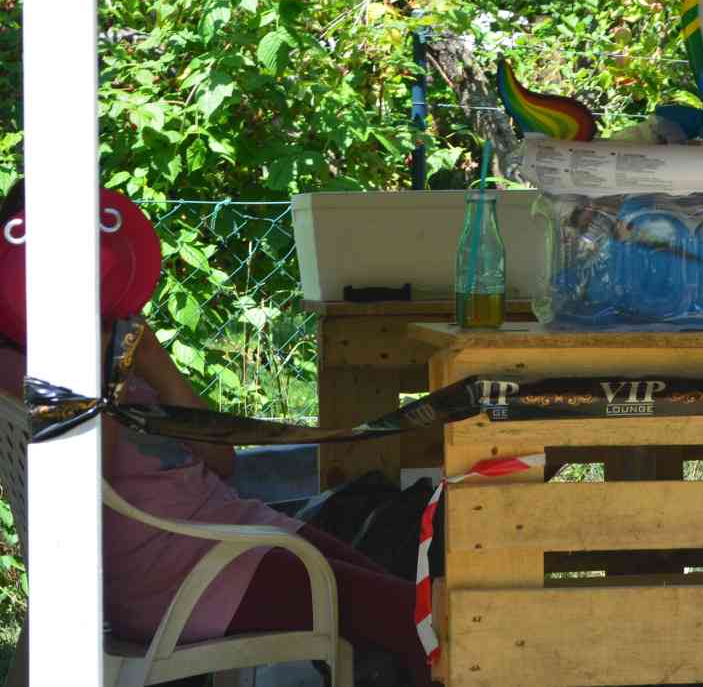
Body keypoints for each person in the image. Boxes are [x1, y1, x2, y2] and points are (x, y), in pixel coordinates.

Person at [0, 181, 432, 687]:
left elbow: (221, 462)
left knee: (417, 600)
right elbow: (87, 477)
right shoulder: (26, 368)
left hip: (229, 536)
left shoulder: (105, 342)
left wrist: (151, 360)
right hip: (182, 575)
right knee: (421, 622)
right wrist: (98, 370)